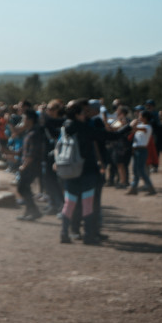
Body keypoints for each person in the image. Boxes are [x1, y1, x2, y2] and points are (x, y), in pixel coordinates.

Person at [58, 99, 103, 244]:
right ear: (78, 114)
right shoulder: (85, 129)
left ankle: (64, 233)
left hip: (69, 169)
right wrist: (127, 128)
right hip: (87, 171)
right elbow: (107, 136)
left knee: (69, 204)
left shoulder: (65, 127)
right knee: (87, 203)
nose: (86, 114)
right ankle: (88, 236)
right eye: (84, 112)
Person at [15, 110, 46, 221]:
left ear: (30, 120)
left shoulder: (34, 133)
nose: (23, 121)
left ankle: (34, 211)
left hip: (31, 166)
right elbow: (23, 151)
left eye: (24, 119)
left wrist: (24, 165)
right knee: (24, 188)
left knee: (22, 187)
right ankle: (30, 211)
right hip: (28, 165)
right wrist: (9, 153)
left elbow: (32, 154)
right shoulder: (29, 132)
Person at [128, 109, 157, 196]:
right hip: (136, 150)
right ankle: (134, 188)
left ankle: (151, 188)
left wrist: (133, 122)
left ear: (145, 118)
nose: (139, 117)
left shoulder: (147, 127)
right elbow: (132, 131)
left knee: (140, 170)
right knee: (135, 170)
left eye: (140, 116)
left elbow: (133, 128)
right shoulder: (141, 125)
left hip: (142, 150)